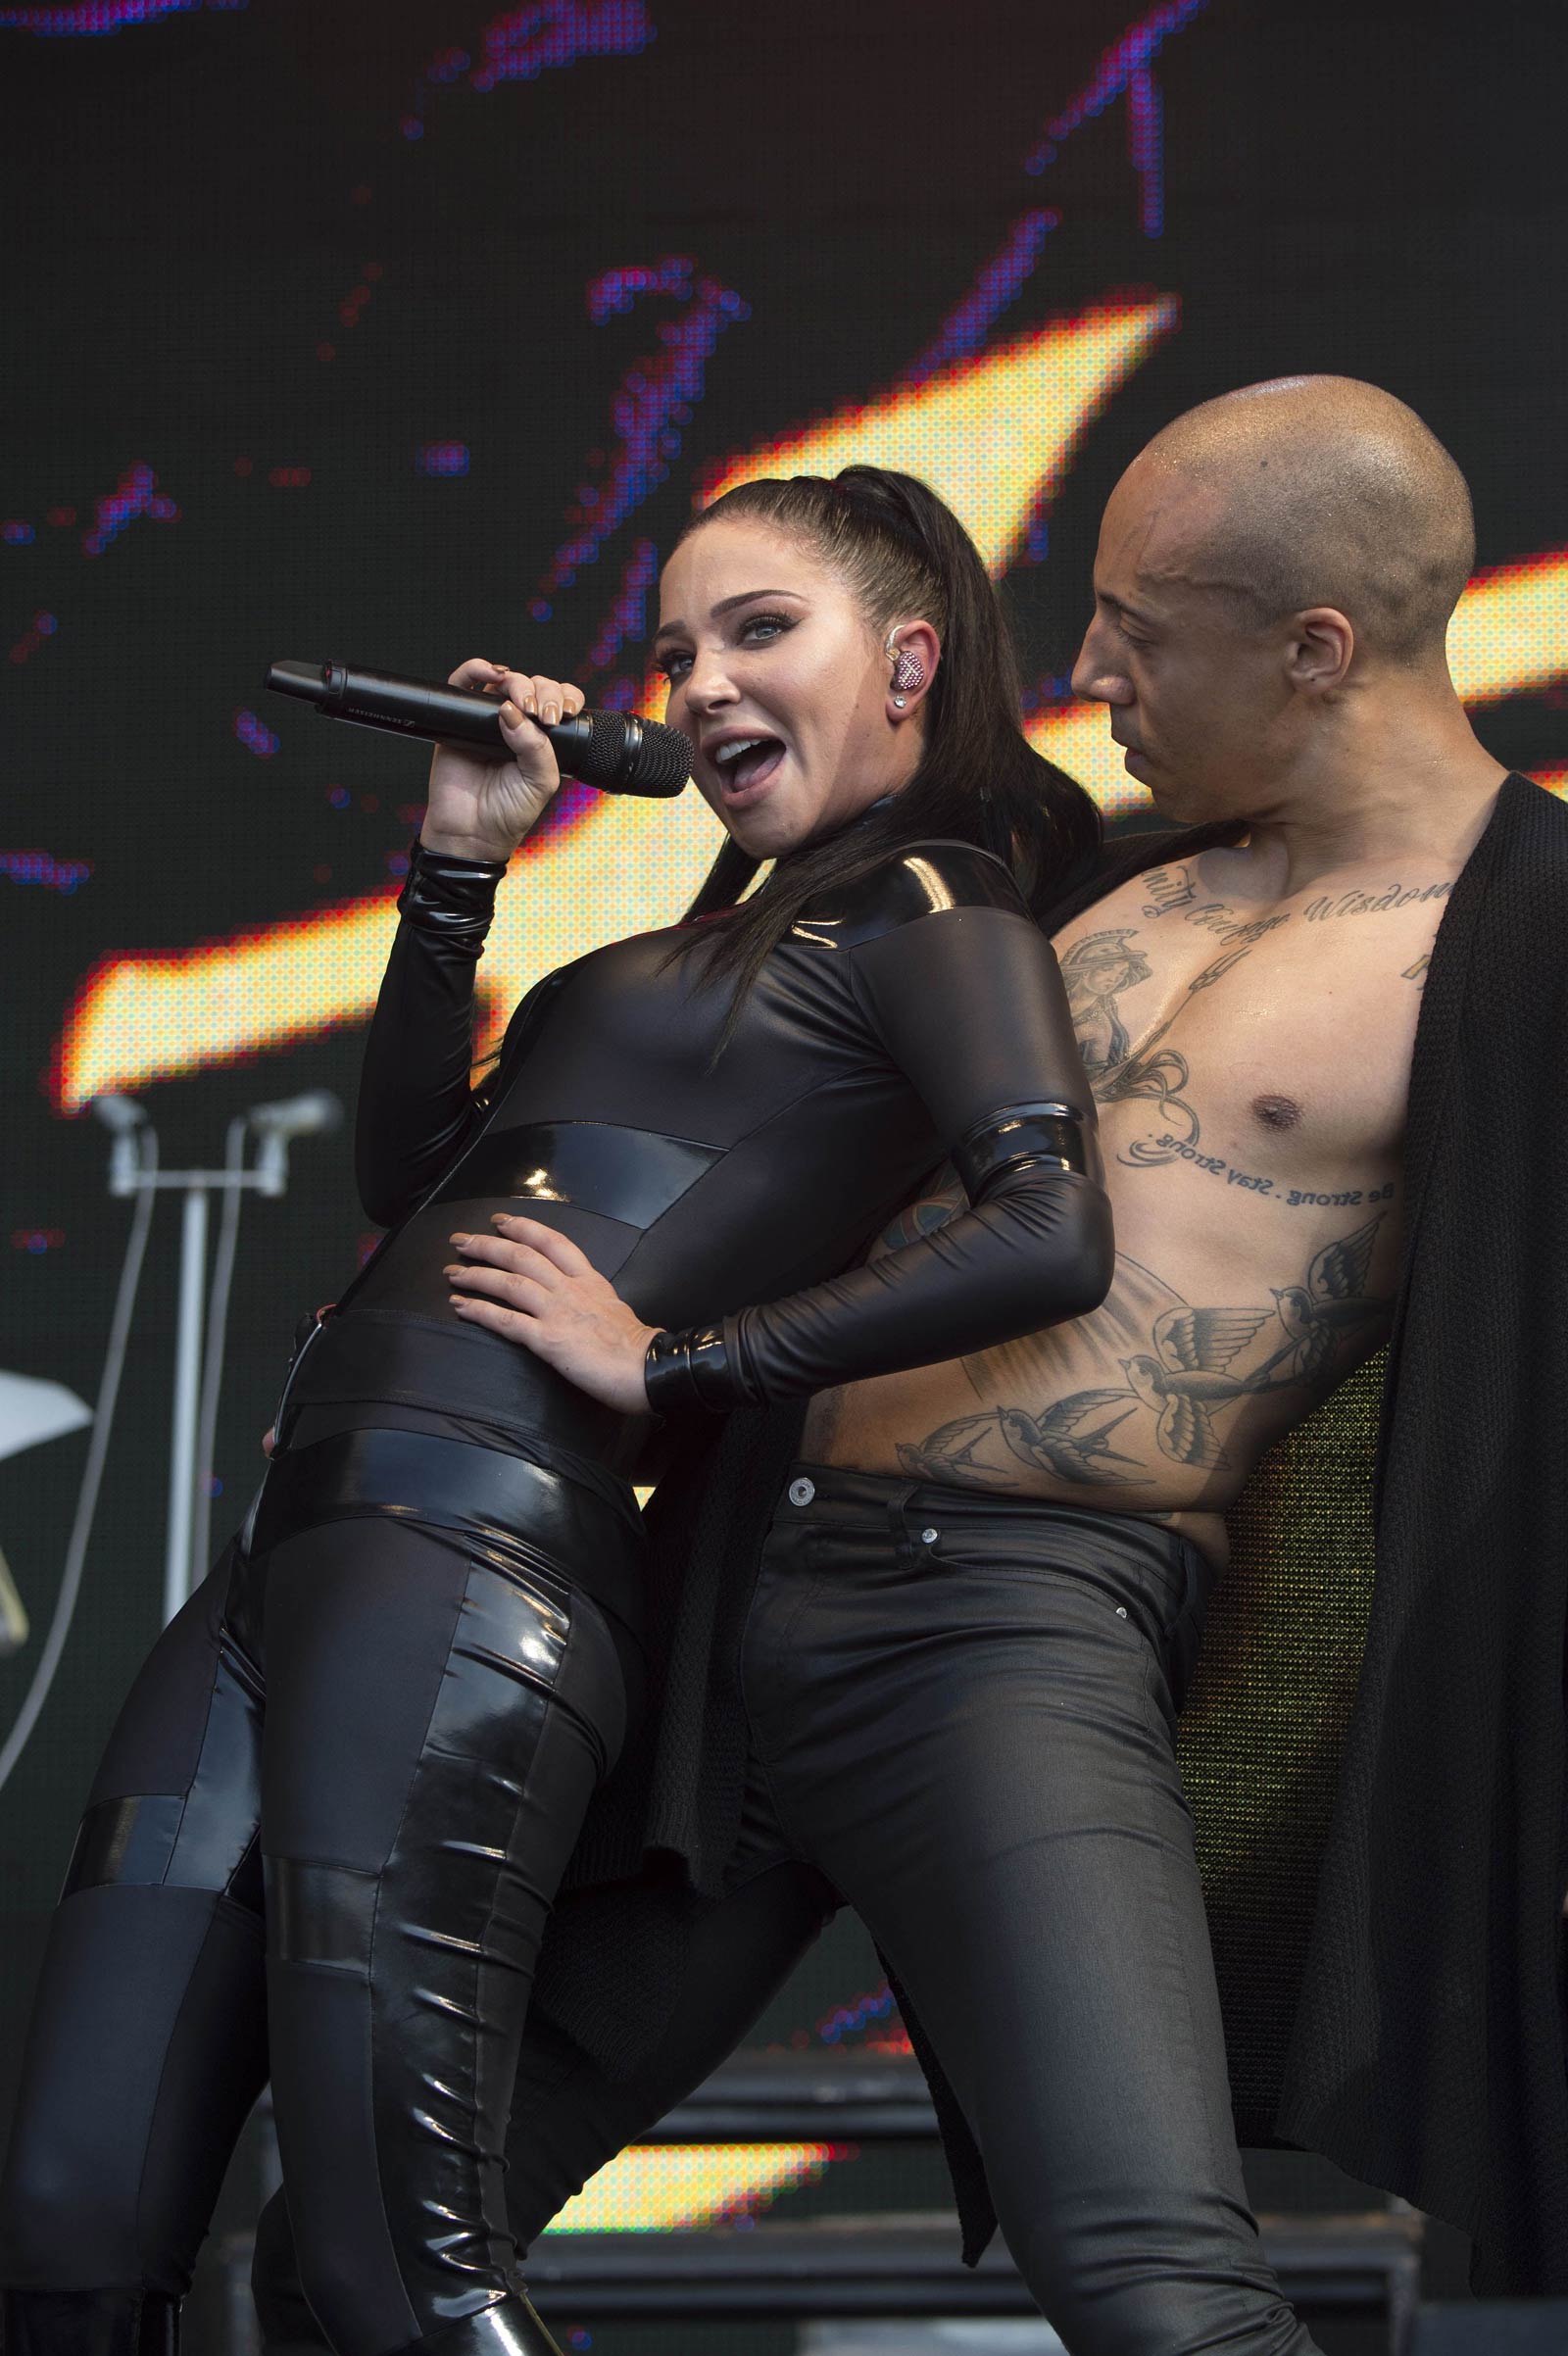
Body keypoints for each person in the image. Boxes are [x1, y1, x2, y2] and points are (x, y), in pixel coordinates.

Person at [255, 374, 1568, 2354]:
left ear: (1313, 648)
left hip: (1008, 1643)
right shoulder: (1053, 870)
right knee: (367, 2233)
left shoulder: (1522, 936)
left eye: (1138, 622)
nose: (1089, 662)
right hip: (735, 1597)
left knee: (1155, 2291)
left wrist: (675, 1351)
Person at [0, 468, 1117, 2356]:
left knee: (385, 2258)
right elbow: (405, 1165)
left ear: (912, 658)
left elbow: (1052, 1222)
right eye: (678, 649)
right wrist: (458, 866)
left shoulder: (937, 908)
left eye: (763, 633)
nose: (699, 685)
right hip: (298, 1565)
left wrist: (684, 1366)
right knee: (71, 2209)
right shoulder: (688, 943)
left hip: (471, 1566)